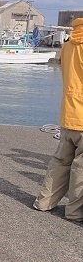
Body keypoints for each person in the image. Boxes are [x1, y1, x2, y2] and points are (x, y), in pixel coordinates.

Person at [33, 18, 83, 222]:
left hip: (68, 113)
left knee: (60, 162)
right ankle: (74, 212)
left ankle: (44, 202)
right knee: (80, 169)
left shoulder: (69, 44)